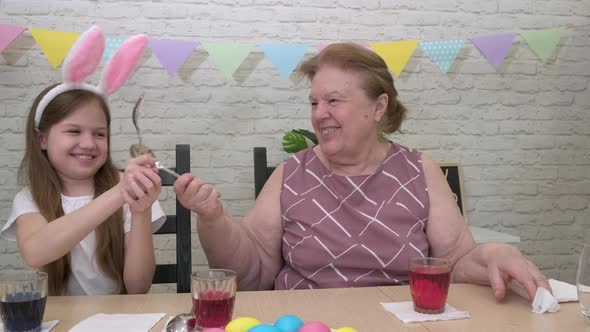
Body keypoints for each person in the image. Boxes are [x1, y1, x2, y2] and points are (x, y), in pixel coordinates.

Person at [174, 43, 550, 301]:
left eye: (334, 100)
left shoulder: (419, 170)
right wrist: (213, 218)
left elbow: (454, 264)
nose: (320, 113)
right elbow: (251, 272)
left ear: (378, 107)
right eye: (314, 102)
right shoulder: (292, 173)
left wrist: (495, 253)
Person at [1, 25, 165, 296]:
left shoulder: (128, 191)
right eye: (74, 131)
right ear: (41, 139)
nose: (89, 143)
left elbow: (138, 286)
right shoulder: (29, 199)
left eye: (99, 134)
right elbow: (35, 253)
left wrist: (140, 210)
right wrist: (119, 193)